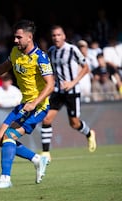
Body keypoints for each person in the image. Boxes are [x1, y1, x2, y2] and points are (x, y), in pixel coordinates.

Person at [0, 19, 54, 188]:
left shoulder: (40, 57)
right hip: (25, 104)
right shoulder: (16, 52)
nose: (15, 40)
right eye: (14, 37)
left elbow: (50, 84)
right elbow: (5, 66)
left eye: (19, 37)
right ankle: (37, 159)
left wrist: (35, 103)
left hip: (38, 106)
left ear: (29, 37)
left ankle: (5, 179)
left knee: (9, 136)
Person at [40, 25, 97, 164]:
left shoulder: (72, 50)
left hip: (72, 92)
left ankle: (89, 133)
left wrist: (72, 82)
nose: (56, 38)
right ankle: (46, 153)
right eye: (54, 35)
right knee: (46, 119)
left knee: (74, 123)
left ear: (64, 36)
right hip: (58, 92)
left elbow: (86, 68)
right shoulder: (51, 51)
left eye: (59, 35)